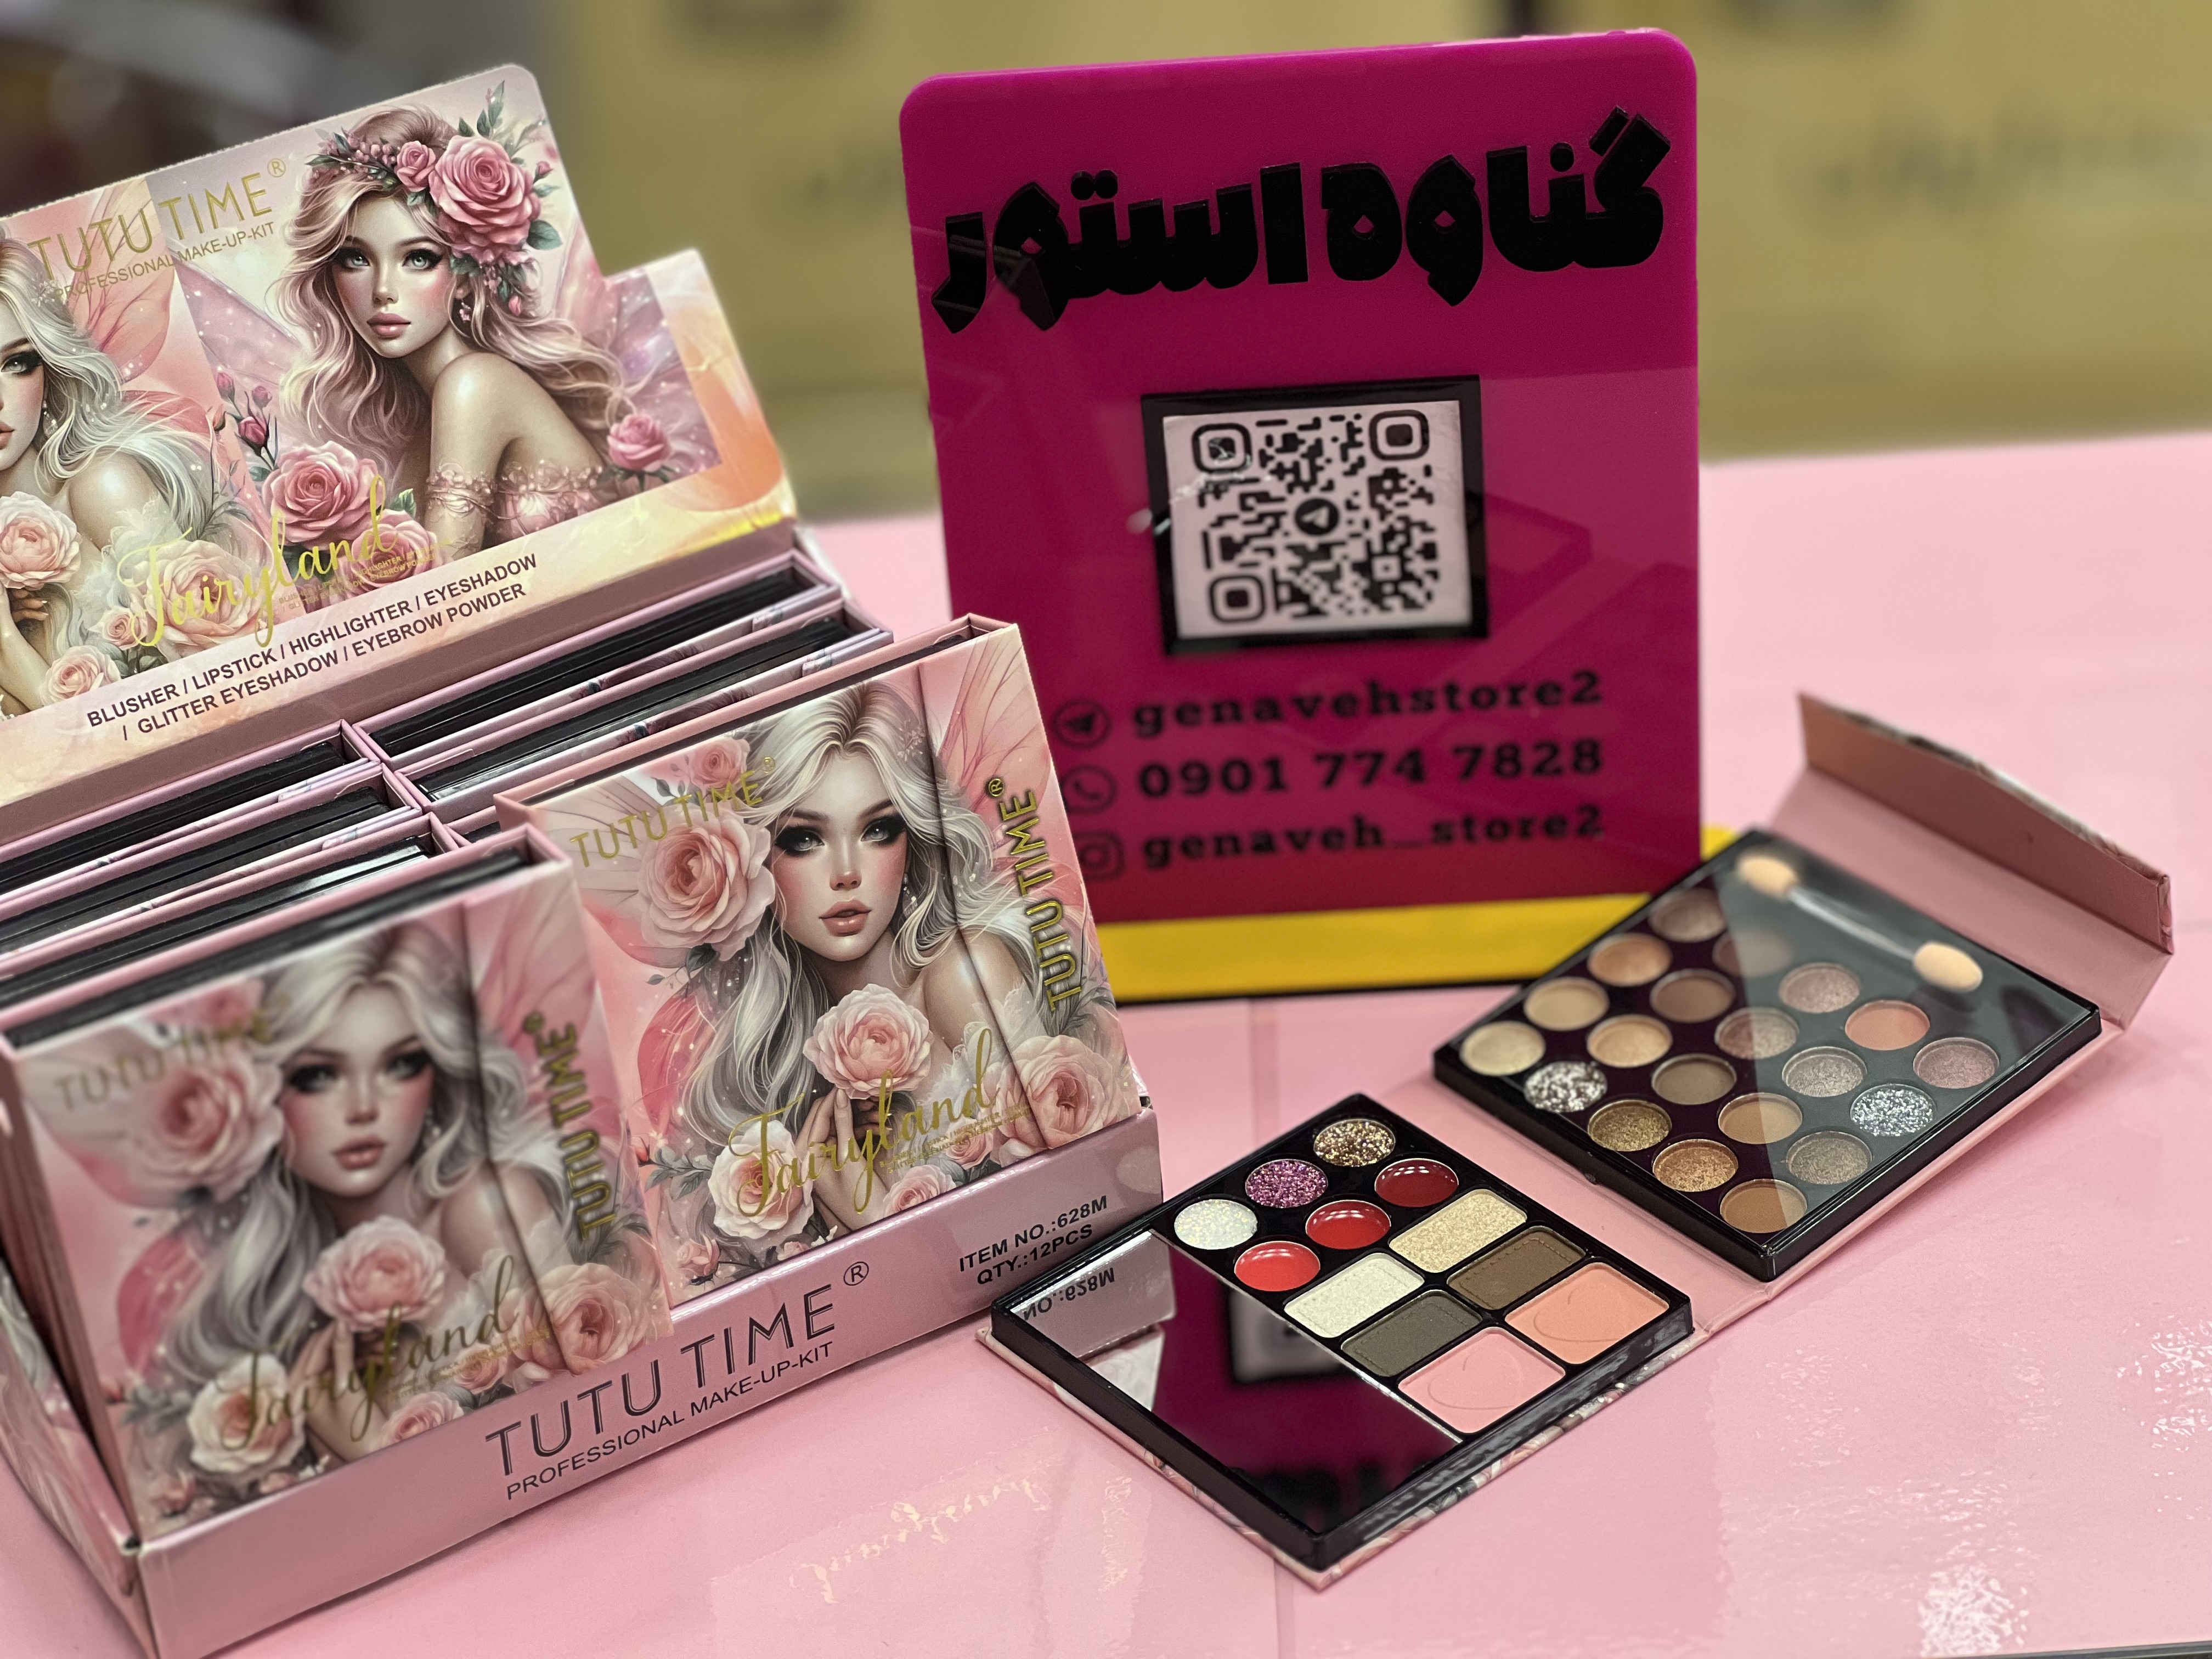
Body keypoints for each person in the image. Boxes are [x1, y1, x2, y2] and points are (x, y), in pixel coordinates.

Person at [676, 680, 1128, 1251]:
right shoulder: (792, 1073)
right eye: (805, 839)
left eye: (877, 830)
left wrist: (874, 1224)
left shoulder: (963, 973)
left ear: (911, 838)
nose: (846, 872)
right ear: (755, 862)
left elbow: (1078, 1205)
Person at [159, 923, 568, 1475]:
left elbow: (575, 1426)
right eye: (318, 1075)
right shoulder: (285, 1307)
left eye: (400, 1065)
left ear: (437, 1074)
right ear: (261, 1094)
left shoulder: (484, 1205)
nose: (363, 1107)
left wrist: (375, 1455)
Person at [273, 103, 625, 557]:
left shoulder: (474, 385)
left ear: (465, 272)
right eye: (355, 258)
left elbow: (444, 576)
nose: (383, 291)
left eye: (418, 258)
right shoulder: (427, 425)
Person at [0, 238, 229, 711]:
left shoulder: (103, 486)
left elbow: (216, 692)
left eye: (16, 363)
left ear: (50, 366)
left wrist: (6, 644)